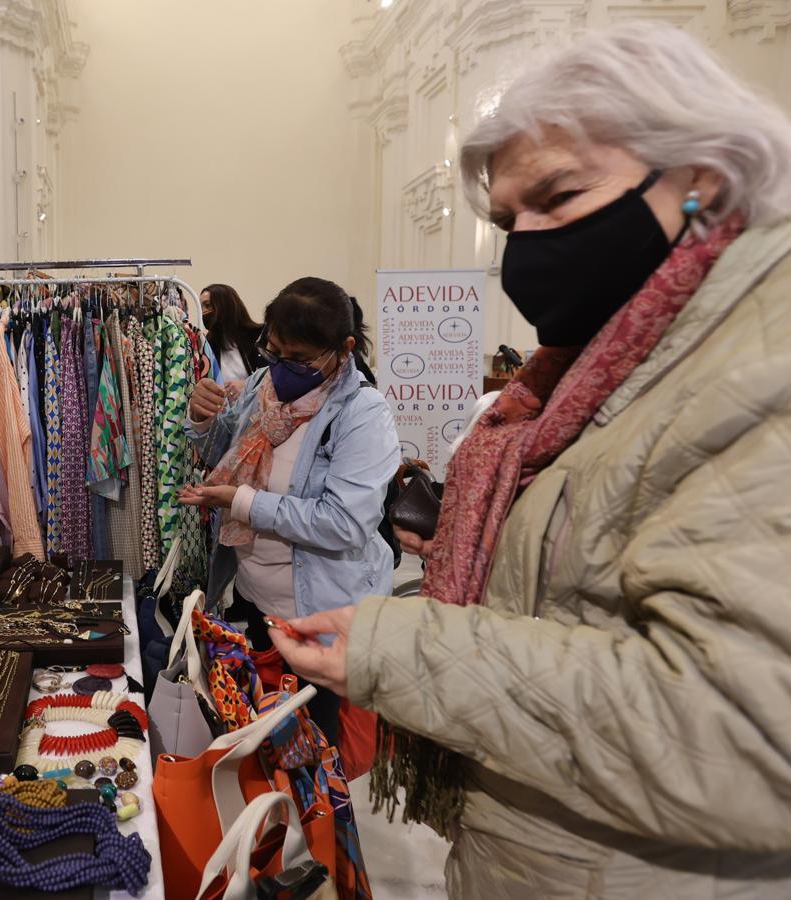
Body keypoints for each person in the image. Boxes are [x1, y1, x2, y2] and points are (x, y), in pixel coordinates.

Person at [270, 23, 791, 899]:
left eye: (559, 196)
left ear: (700, 180)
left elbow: (743, 732)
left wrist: (406, 648)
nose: (527, 245)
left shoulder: (757, 371)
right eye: (510, 219)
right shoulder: (587, 381)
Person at [179, 277, 400, 744]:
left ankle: (319, 821)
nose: (281, 368)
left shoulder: (363, 414)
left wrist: (240, 501)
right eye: (274, 351)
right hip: (260, 607)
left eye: (299, 360)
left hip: (321, 618)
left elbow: (343, 523)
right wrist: (201, 419)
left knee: (315, 757)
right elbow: (227, 453)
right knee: (270, 739)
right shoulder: (263, 385)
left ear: (344, 349)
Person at [200, 283, 264, 386]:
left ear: (225, 305)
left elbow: (272, 379)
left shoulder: (260, 336)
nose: (203, 311)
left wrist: (246, 386)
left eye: (207, 305)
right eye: (201, 307)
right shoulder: (209, 344)